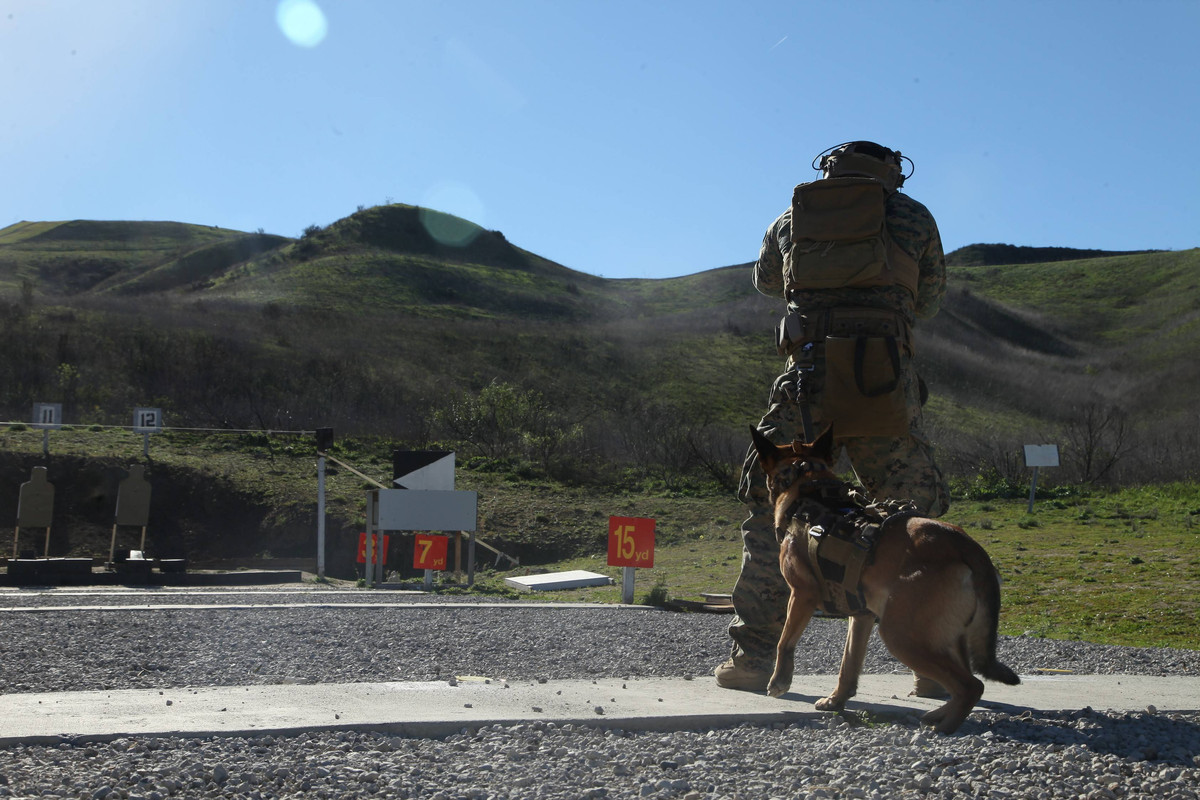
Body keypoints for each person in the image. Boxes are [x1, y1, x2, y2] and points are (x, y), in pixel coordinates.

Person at [715, 140, 950, 695]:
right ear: (892, 172)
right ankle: (930, 666)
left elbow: (767, 282)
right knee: (915, 523)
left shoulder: (791, 216)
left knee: (772, 520)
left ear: (829, 169)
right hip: (881, 383)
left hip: (806, 387)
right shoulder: (913, 217)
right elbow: (931, 299)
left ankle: (752, 662)